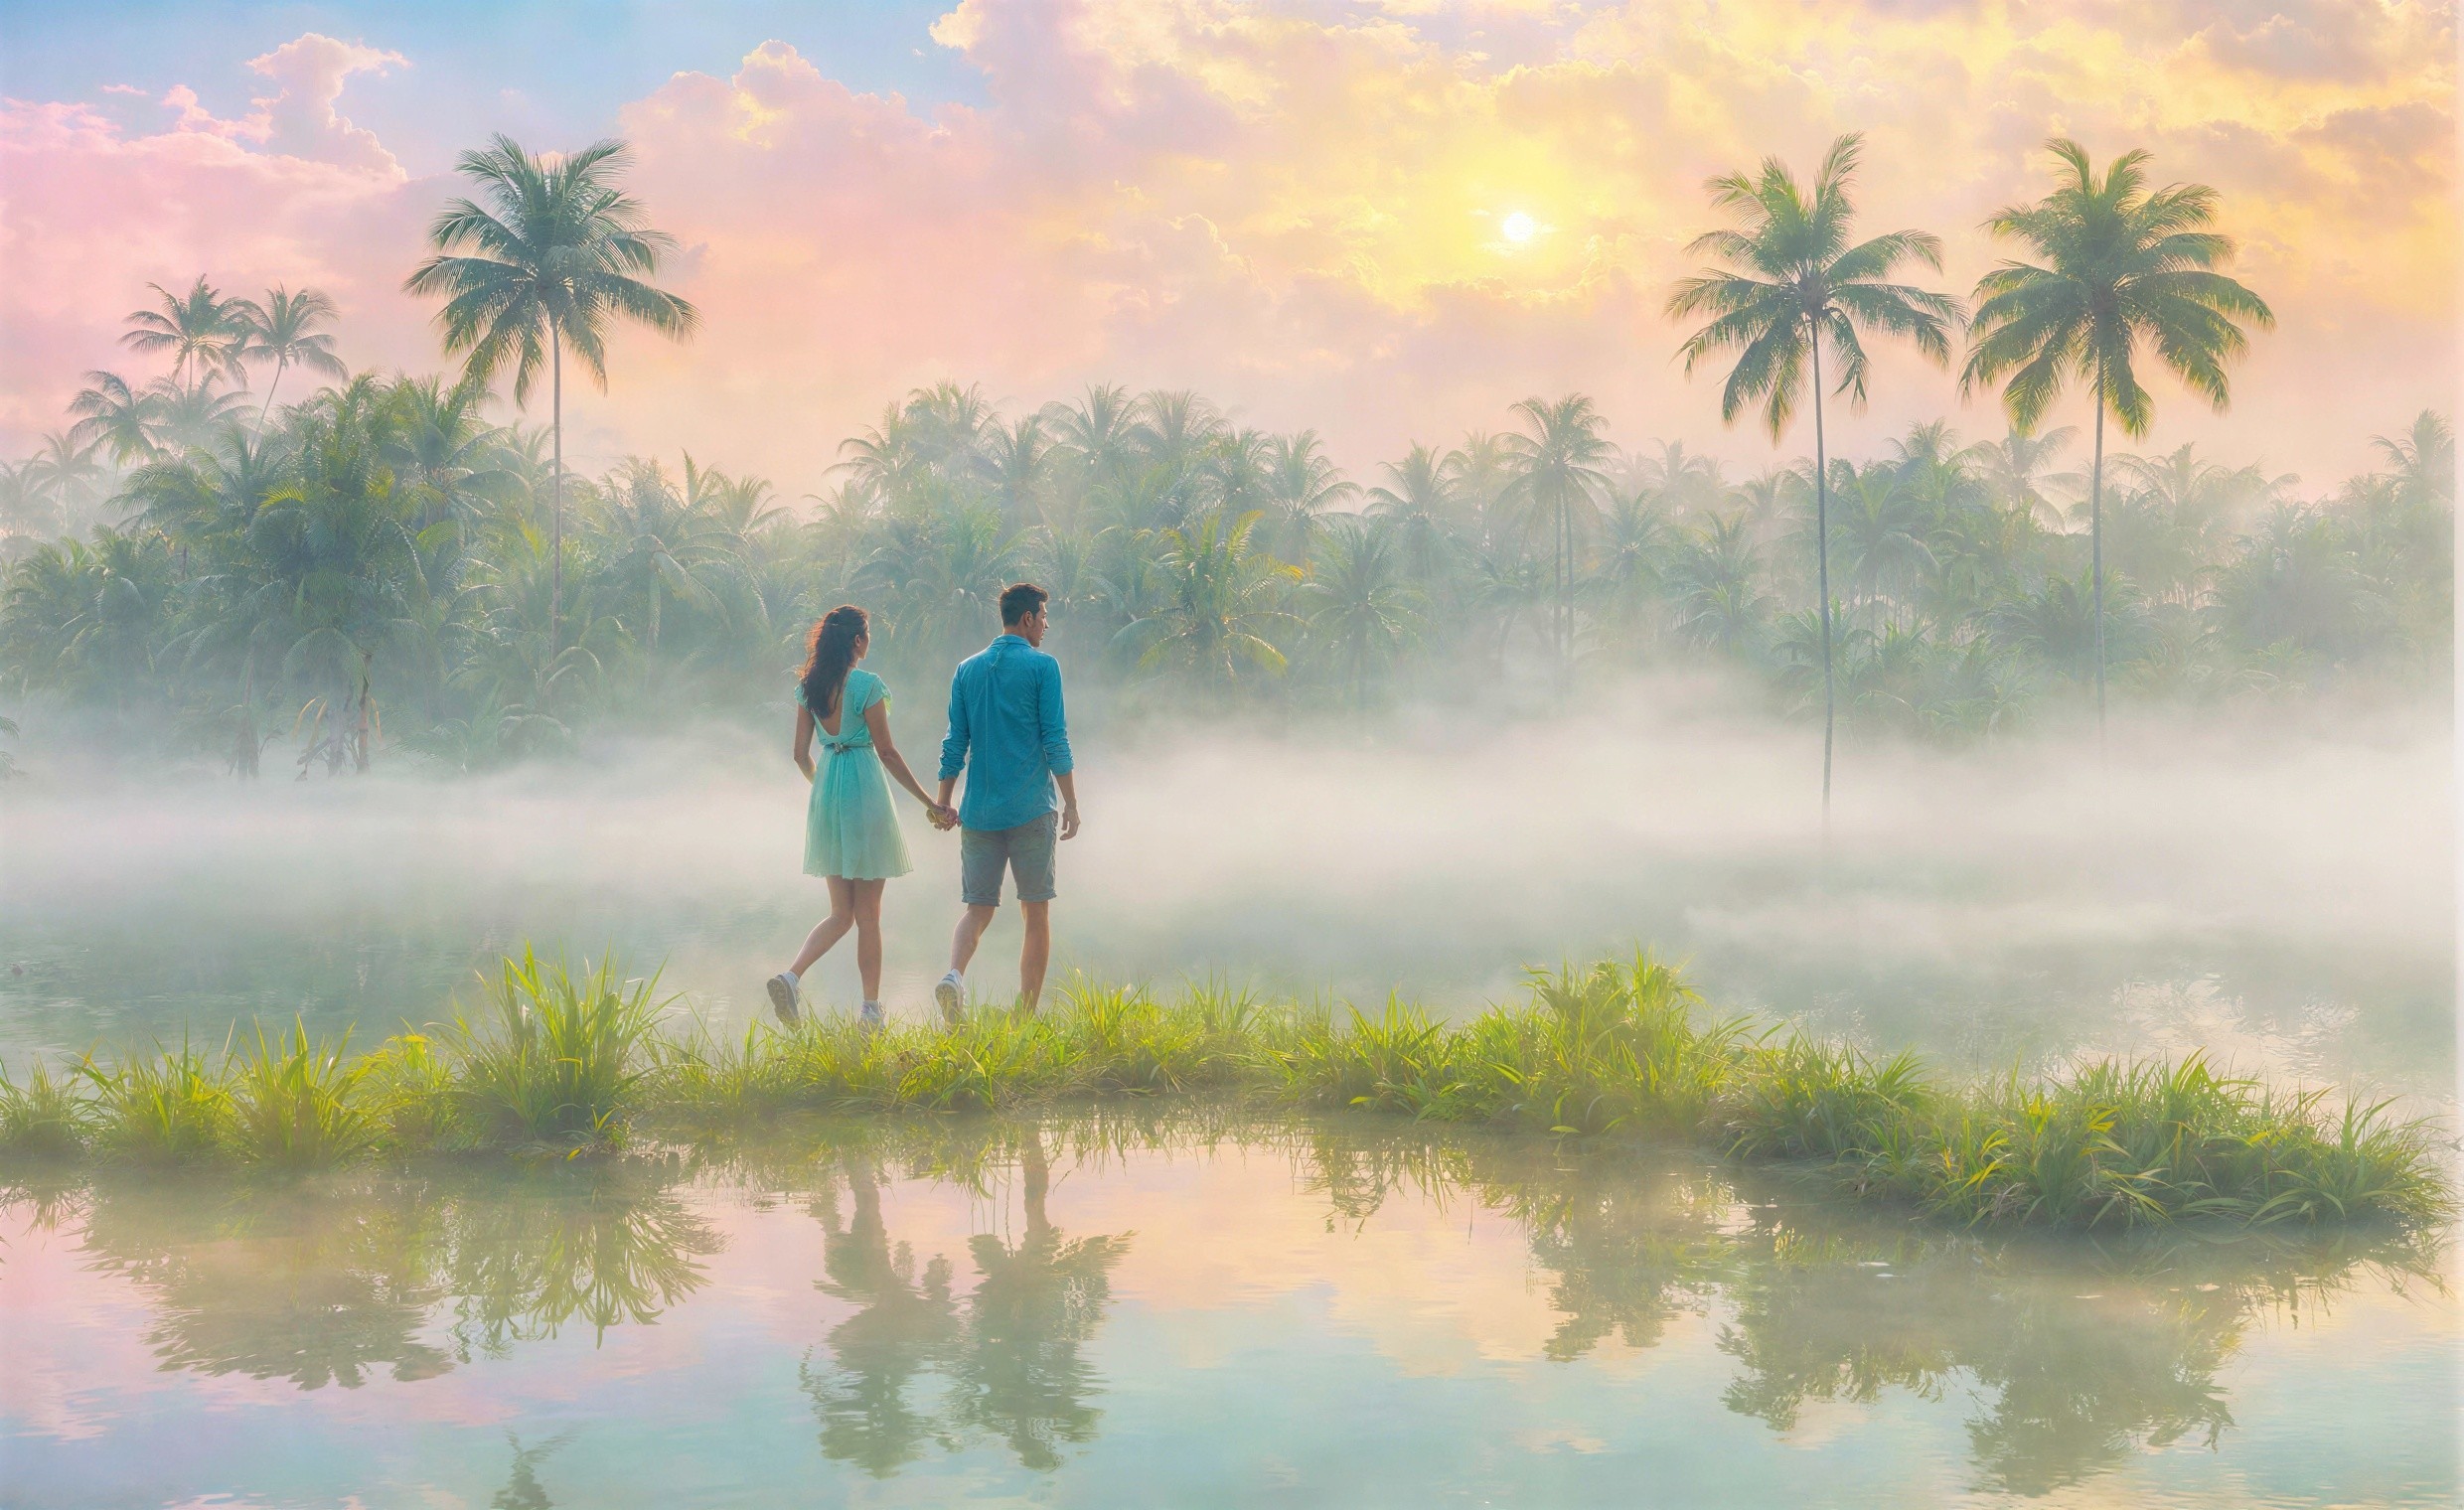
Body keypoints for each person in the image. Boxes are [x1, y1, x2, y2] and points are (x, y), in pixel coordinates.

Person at [769, 606, 954, 1028]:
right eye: (867, 636)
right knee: (868, 914)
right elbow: (887, 752)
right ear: (857, 641)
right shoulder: (867, 685)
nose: (869, 642)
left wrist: (824, 788)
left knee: (840, 913)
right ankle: (870, 1010)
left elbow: (799, 755)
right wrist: (931, 803)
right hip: (864, 789)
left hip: (828, 789)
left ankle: (790, 976)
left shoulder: (810, 687)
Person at [933, 582, 1079, 1021]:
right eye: (1043, 617)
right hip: (1031, 811)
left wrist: (944, 802)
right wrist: (1071, 802)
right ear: (1028, 618)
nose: (1047, 626)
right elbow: (1056, 740)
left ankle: (954, 977)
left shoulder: (966, 670)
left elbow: (954, 743)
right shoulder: (1043, 667)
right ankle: (1025, 1017)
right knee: (1035, 913)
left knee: (977, 908)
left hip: (978, 812)